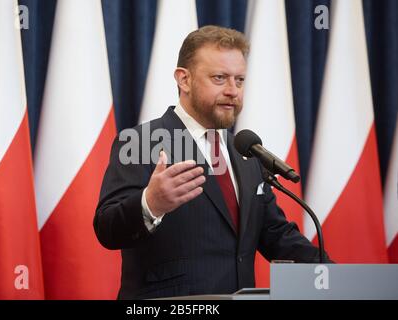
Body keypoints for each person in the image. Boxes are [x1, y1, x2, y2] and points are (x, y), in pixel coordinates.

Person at [94, 25, 330, 300]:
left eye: (239, 80)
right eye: (220, 78)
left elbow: (276, 234)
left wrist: (332, 278)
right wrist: (151, 203)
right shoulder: (141, 142)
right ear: (184, 79)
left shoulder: (245, 151)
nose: (233, 90)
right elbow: (107, 230)